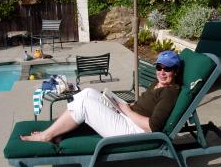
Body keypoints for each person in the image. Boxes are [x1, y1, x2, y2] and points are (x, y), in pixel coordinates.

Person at [20, 50, 182, 142]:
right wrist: (122, 106)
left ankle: (46, 135)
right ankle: (59, 131)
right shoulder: (158, 82)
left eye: (167, 69)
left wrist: (128, 111)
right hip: (127, 116)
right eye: (159, 67)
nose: (162, 72)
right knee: (87, 92)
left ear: (175, 71)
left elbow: (153, 126)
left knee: (84, 104)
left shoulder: (169, 92)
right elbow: (144, 107)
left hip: (134, 130)